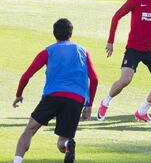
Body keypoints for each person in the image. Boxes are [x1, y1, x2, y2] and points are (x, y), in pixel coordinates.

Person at [12, 18, 98, 163]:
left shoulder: (48, 51)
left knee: (30, 130)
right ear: (71, 33)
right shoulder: (83, 52)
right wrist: (89, 105)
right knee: (62, 143)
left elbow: (26, 76)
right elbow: (94, 79)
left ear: (54, 33)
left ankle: (17, 161)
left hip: (53, 96)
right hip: (76, 99)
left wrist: (19, 94)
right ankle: (67, 145)